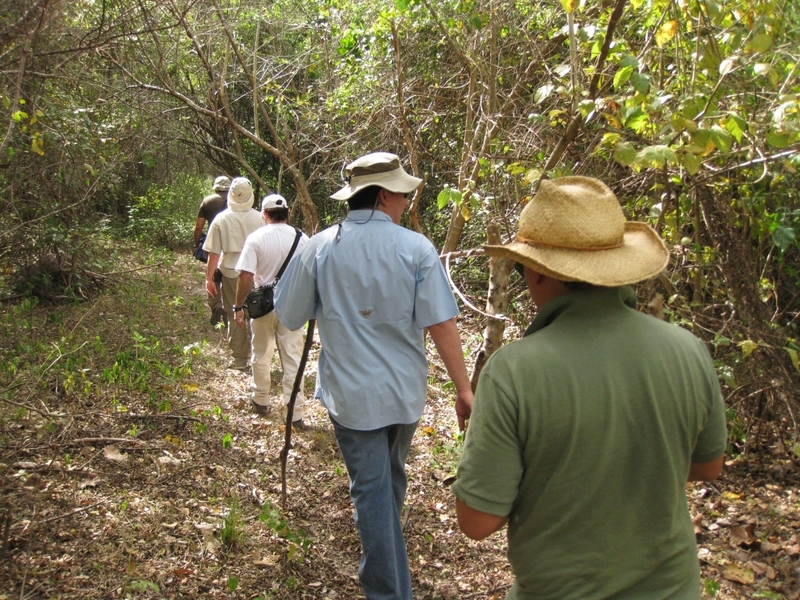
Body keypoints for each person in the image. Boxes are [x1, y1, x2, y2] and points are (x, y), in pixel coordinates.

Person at [451, 176, 727, 600]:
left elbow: (477, 521)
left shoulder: (514, 371)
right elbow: (707, 467)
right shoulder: (688, 349)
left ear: (539, 273)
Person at [275, 152, 474, 600]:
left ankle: (386, 585)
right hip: (404, 394)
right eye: (403, 194)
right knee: (385, 483)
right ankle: (388, 575)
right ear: (384, 195)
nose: (406, 201)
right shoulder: (416, 248)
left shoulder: (321, 246)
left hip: (352, 397)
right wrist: (463, 389)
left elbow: (288, 314)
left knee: (375, 491)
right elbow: (441, 323)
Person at [233, 194, 309, 424]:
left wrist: (238, 306)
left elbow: (246, 275)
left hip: (262, 306)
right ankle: (295, 413)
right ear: (287, 212)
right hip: (293, 305)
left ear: (264, 214)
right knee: (293, 359)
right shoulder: (302, 238)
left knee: (261, 353)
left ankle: (261, 398)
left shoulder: (256, 238)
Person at [203, 177, 265, 372]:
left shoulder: (221, 219)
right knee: (257, 315)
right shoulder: (261, 218)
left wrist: (209, 278)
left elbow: (214, 253)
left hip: (231, 273)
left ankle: (240, 361)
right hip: (256, 273)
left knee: (234, 314)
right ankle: (259, 360)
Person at [194, 175, 231, 326]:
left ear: (215, 187)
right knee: (229, 277)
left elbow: (198, 227)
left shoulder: (208, 201)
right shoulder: (236, 201)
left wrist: (197, 244)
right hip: (232, 245)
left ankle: (216, 305)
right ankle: (230, 310)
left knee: (212, 277)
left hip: (213, 244)